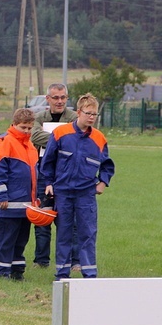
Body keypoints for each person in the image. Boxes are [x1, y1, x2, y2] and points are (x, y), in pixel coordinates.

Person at [40, 93, 115, 280]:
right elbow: (48, 161)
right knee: (64, 233)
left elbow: (107, 165)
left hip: (86, 193)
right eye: (89, 113)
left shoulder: (99, 138)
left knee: (87, 233)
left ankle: (89, 274)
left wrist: (103, 182)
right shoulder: (60, 133)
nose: (92, 117)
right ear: (79, 112)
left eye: (95, 114)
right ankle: (62, 274)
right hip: (63, 192)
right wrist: (49, 183)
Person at [29, 83, 78, 270]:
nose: (59, 101)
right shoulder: (39, 117)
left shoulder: (74, 117)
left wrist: (52, 137)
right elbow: (34, 137)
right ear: (47, 99)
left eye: (63, 97)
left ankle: (74, 261)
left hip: (68, 174)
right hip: (44, 172)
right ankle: (41, 260)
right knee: (42, 216)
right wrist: (62, 138)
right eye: (55, 97)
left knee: (69, 220)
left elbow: (76, 138)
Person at [0, 109, 39, 281]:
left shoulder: (30, 145)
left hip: (26, 204)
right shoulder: (5, 142)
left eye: (29, 128)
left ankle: (17, 272)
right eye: (23, 127)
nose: (26, 131)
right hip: (9, 203)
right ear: (14, 124)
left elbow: (34, 174)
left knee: (20, 240)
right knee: (5, 239)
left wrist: (35, 199)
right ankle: (1, 272)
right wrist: (2, 196)